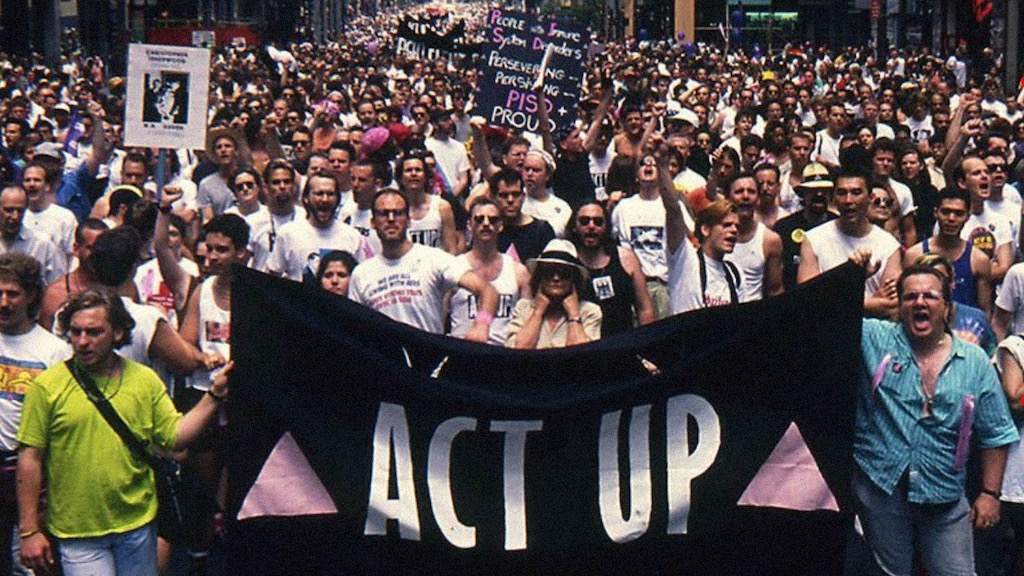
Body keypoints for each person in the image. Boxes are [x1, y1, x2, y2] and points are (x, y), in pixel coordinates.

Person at [16, 291, 234, 576]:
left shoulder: (143, 381)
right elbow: (30, 458)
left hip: (137, 524)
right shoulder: (47, 387)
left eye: (94, 332)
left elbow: (173, 437)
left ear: (117, 332)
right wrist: (29, 530)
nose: (82, 342)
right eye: (76, 332)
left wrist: (213, 397)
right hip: (77, 531)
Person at [853, 259, 1018, 576]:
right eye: (910, 297)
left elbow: (997, 433)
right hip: (882, 488)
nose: (919, 303)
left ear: (946, 306)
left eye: (929, 296)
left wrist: (990, 494)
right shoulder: (874, 338)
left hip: (944, 494)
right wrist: (852, 279)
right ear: (900, 305)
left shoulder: (975, 362)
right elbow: (828, 316)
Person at [348, 189, 497, 341]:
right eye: (384, 213)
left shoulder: (433, 259)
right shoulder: (361, 274)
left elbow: (488, 290)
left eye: (398, 213)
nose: (391, 219)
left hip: (429, 356)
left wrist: (482, 325)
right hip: (386, 360)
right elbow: (355, 328)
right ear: (373, 222)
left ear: (409, 220)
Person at [0, 254, 68, 576]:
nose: (3, 302)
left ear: (29, 295)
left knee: (30, 561)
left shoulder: (53, 351)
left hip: (29, 469)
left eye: (12, 294)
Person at [797, 166, 902, 317]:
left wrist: (830, 297)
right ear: (833, 198)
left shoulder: (888, 245)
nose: (848, 200)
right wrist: (870, 302)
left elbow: (891, 305)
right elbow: (807, 299)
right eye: (841, 193)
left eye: (856, 193)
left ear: (870, 198)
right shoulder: (813, 239)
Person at [448, 199, 529, 345]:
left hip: (504, 356)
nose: (486, 224)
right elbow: (439, 318)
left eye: (493, 219)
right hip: (461, 353)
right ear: (469, 225)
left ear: (501, 225)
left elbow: (526, 323)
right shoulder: (453, 268)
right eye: (479, 219)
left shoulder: (519, 271)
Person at [569, 201, 655, 337]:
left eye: (598, 222)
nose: (591, 226)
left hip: (623, 343)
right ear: (574, 226)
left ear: (606, 226)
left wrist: (647, 342)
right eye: (584, 221)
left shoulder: (626, 258)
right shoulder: (568, 262)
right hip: (584, 345)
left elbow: (644, 308)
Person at [266, 172, 370, 282]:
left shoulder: (353, 236)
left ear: (338, 199)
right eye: (319, 193)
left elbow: (361, 279)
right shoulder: (288, 233)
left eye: (330, 194)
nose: (325, 199)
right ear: (306, 198)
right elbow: (273, 274)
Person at [904, 187, 991, 315]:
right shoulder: (914, 255)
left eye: (958, 214)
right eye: (946, 212)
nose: (951, 218)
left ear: (967, 216)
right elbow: (904, 303)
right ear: (935, 213)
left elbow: (985, 311)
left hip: (965, 331)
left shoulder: (979, 260)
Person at [506, 239, 602, 349]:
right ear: (540, 276)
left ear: (574, 278)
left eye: (563, 273)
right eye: (549, 272)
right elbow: (518, 351)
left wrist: (574, 315)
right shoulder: (523, 308)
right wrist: (538, 312)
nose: (556, 278)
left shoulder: (589, 312)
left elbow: (581, 357)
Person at [722, 171, 784, 301]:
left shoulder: (770, 240)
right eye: (739, 192)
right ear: (727, 197)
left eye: (751, 191)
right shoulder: (714, 235)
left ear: (758, 197)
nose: (745, 196)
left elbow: (775, 290)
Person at [0, 184, 65, 285]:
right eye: (9, 210)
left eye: (20, 211)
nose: (15, 216)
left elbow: (58, 285)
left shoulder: (42, 244)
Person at [490, 168, 555, 262]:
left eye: (515, 194)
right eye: (504, 195)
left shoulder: (542, 231)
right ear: (493, 198)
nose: (510, 200)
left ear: (523, 196)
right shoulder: (489, 230)